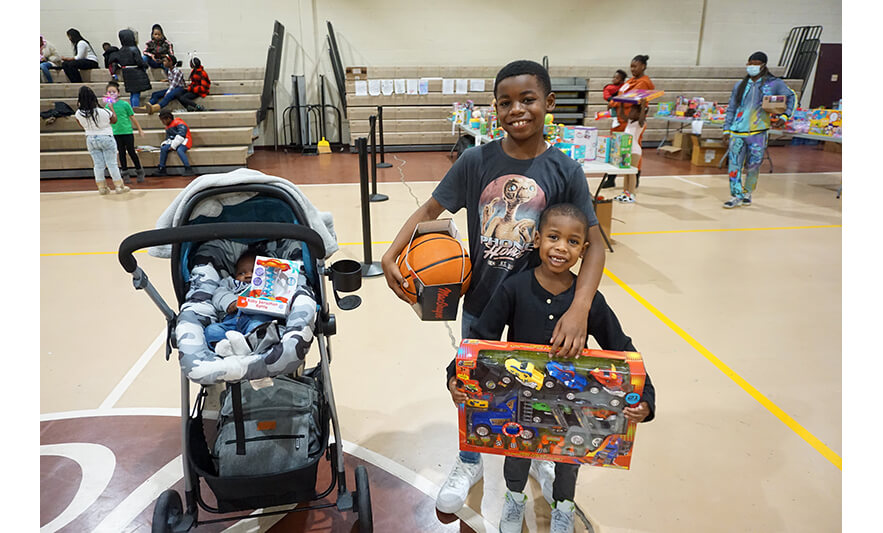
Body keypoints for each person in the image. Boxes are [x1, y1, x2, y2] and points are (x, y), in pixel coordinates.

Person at [380, 59, 606, 516]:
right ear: (495, 109)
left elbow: (596, 245)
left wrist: (579, 307)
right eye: (505, 102)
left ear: (549, 104)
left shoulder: (565, 170)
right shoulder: (476, 161)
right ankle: (469, 461)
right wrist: (391, 252)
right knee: (469, 385)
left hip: (540, 306)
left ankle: (539, 453)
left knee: (540, 387)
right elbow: (430, 211)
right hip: (482, 298)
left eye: (528, 99)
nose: (516, 110)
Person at [448, 203, 656, 533]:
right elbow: (481, 337)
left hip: (573, 407)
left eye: (573, 242)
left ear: (583, 250)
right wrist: (454, 376)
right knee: (516, 451)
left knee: (570, 458)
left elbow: (622, 349)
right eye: (554, 238)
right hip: (519, 402)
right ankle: (514, 499)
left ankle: (564, 507)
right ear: (537, 240)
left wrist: (645, 399)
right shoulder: (513, 288)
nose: (561, 248)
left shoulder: (588, 301)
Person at [721, 51, 796, 208]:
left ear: (763, 65)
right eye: (749, 63)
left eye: (755, 63)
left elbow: (791, 97)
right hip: (737, 132)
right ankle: (735, 195)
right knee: (734, 165)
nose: (751, 66)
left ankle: (748, 192)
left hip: (758, 132)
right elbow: (732, 107)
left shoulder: (773, 84)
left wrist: (784, 117)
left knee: (754, 165)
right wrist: (726, 130)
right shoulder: (740, 85)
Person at [601, 55, 654, 190]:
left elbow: (631, 99)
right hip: (620, 119)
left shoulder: (643, 82)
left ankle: (634, 179)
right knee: (615, 149)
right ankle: (611, 178)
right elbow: (620, 96)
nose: (632, 69)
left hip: (631, 121)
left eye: (635, 66)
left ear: (643, 66)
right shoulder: (630, 81)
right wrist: (613, 102)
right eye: (631, 66)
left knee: (631, 153)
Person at [204, 250, 276, 345]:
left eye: (255, 271)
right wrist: (231, 302)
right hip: (231, 322)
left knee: (259, 328)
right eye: (241, 273)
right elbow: (219, 293)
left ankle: (246, 346)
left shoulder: (270, 285)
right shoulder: (230, 283)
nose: (248, 276)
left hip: (257, 319)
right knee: (212, 330)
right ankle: (226, 347)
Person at [73, 86, 129, 195]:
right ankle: (119, 186)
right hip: (106, 137)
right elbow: (114, 120)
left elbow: (81, 125)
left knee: (98, 165)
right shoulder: (103, 111)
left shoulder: (79, 113)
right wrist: (111, 108)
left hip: (90, 138)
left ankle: (102, 188)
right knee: (112, 163)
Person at [104, 81, 145, 184]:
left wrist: (139, 129)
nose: (111, 94)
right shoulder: (107, 107)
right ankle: (125, 174)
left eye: (113, 92)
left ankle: (139, 171)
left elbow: (132, 117)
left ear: (118, 93)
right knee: (121, 153)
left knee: (131, 151)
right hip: (115, 133)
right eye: (109, 92)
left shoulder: (125, 104)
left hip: (127, 131)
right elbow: (108, 121)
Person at [614, 100, 649, 203]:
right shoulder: (630, 121)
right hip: (626, 148)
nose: (630, 113)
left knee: (632, 172)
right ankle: (625, 192)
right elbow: (621, 115)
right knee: (626, 172)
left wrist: (643, 107)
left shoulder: (641, 123)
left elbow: (642, 118)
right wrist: (620, 103)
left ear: (639, 113)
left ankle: (632, 193)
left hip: (634, 150)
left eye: (633, 111)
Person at [115, 28, 152, 108]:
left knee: (132, 93)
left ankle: (132, 108)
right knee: (136, 93)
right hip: (135, 72)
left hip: (126, 72)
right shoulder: (134, 49)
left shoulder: (121, 50)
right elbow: (139, 61)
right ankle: (135, 108)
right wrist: (145, 65)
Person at [156, 110, 193, 176]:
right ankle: (162, 168)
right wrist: (165, 144)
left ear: (168, 118)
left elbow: (181, 135)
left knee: (180, 150)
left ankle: (188, 168)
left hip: (185, 140)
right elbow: (169, 138)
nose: (162, 122)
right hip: (175, 142)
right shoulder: (167, 127)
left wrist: (173, 146)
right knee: (163, 148)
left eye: (163, 120)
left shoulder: (179, 123)